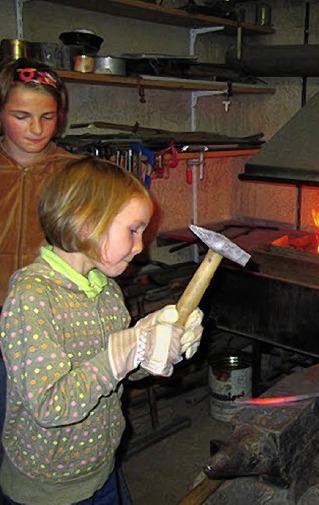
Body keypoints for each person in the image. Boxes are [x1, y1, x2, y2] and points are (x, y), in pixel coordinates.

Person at [0, 156, 204, 505]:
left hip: (101, 467)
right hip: (47, 490)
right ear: (85, 222)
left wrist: (154, 343)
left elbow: (123, 375)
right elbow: (52, 405)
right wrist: (120, 354)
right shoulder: (32, 298)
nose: (141, 246)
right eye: (134, 230)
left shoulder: (105, 290)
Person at [0, 56, 77, 303]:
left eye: (47, 117)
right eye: (21, 117)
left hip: (51, 307)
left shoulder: (75, 173)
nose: (36, 129)